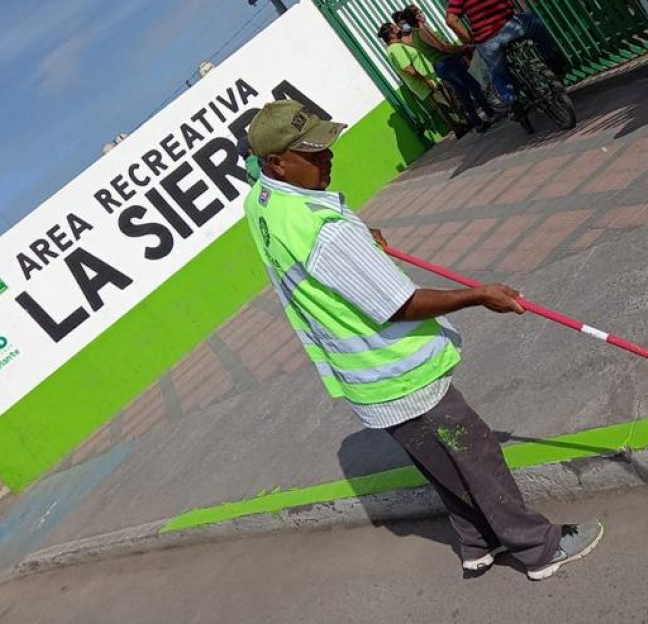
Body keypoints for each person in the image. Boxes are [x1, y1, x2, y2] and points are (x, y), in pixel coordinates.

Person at [241, 99, 603, 581]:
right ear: (277, 163)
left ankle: (477, 543)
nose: (329, 158)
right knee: (477, 455)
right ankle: (537, 548)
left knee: (441, 466)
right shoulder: (323, 231)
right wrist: (479, 295)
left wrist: (356, 234)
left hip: (367, 380)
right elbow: (399, 305)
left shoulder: (263, 203)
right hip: (402, 369)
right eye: (314, 154)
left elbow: (308, 244)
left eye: (327, 147)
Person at [445, 0, 564, 120]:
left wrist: (470, 39)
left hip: (487, 40)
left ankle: (514, 105)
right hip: (511, 26)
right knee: (535, 22)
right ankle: (552, 60)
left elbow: (451, 20)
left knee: (498, 74)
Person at [393, 5, 496, 133]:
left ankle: (478, 121)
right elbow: (442, 47)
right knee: (472, 86)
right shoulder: (422, 31)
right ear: (417, 16)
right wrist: (462, 48)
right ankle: (490, 113)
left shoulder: (414, 34)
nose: (422, 14)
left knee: (463, 92)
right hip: (447, 63)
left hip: (442, 65)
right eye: (420, 12)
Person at [379, 23, 470, 136]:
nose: (399, 28)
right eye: (395, 28)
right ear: (391, 34)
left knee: (448, 101)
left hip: (430, 79)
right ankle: (460, 128)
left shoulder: (399, 44)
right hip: (425, 83)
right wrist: (426, 81)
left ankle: (463, 122)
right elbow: (408, 69)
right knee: (444, 106)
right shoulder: (395, 49)